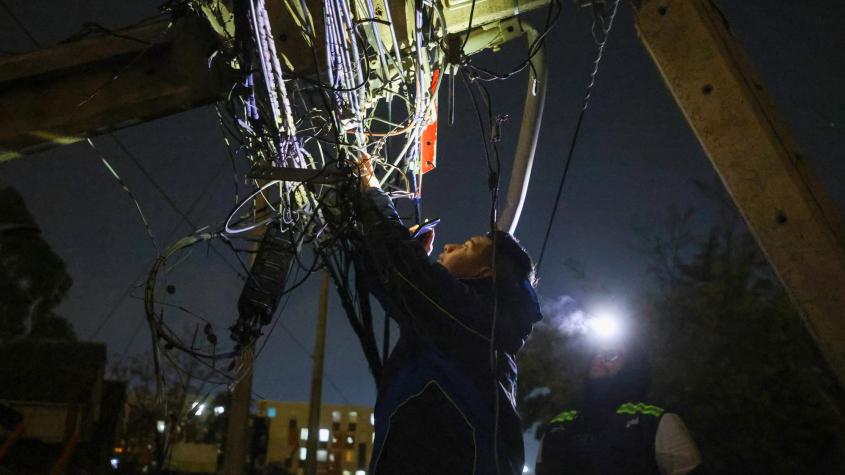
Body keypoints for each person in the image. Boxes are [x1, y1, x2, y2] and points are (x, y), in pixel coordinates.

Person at [354, 156, 543, 474]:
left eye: (466, 246)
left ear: (486, 271)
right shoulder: (466, 324)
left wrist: (370, 187)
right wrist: (403, 252)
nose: (449, 246)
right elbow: (396, 282)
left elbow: (407, 275)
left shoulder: (478, 319)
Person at [535, 342, 703, 475]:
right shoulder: (558, 425)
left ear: (631, 368)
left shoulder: (654, 421)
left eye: (611, 355)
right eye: (597, 354)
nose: (599, 358)